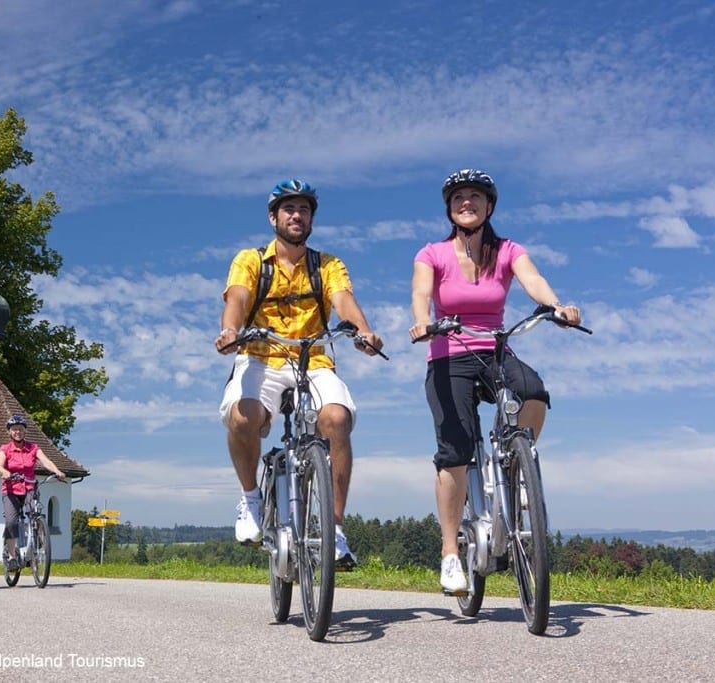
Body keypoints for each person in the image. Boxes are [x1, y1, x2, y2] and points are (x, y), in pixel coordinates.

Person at [408, 168, 582, 591]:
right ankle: (451, 552)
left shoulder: (507, 250)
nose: (466, 203)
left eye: (475, 197)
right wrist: (422, 322)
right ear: (449, 209)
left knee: (533, 392)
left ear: (489, 207)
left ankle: (516, 469)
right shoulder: (432, 253)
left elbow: (533, 280)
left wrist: (556, 306)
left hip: (495, 348)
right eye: (458, 198)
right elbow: (420, 294)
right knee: (455, 451)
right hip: (449, 354)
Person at [216, 178, 384, 570]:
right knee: (243, 416)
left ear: (311, 219)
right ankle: (251, 500)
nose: (297, 215)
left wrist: (363, 330)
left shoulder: (326, 264)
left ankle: (335, 529)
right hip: (261, 355)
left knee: (336, 419)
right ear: (273, 216)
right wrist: (230, 331)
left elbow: (343, 300)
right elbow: (238, 297)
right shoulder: (251, 260)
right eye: (289, 209)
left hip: (313, 359)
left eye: (304, 209)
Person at [0, 414, 67, 570]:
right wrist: (5, 472)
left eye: (20, 429)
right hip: (11, 490)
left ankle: (36, 537)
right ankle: (13, 557)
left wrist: (57, 471)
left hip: (29, 487)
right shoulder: (5, 449)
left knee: (35, 513)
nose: (17, 432)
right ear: (10, 432)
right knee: (12, 522)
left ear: (25, 431)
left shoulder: (33, 448)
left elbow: (45, 460)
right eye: (14, 429)